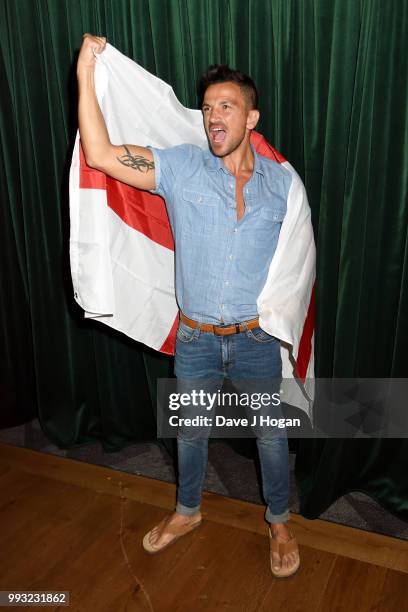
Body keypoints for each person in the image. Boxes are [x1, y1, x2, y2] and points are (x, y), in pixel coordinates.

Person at [77, 33, 300, 578]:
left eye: (226, 106)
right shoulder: (180, 168)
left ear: (252, 118)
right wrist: (85, 73)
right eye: (206, 109)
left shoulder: (283, 185)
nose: (212, 117)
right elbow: (102, 155)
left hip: (256, 338)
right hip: (197, 339)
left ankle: (279, 520)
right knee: (191, 431)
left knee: (272, 435)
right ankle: (186, 512)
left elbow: (299, 265)